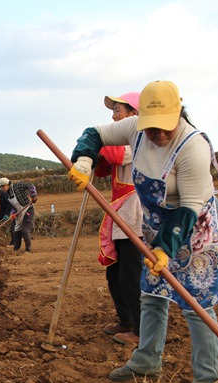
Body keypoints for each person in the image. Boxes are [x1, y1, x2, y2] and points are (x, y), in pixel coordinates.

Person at [70, 80, 218, 383]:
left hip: (193, 227)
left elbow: (189, 206)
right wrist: (84, 160)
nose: (157, 133)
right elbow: (95, 133)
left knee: (195, 299)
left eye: (164, 126)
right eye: (151, 126)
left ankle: (209, 378)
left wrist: (165, 249)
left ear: (178, 113)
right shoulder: (135, 129)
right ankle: (147, 361)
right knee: (152, 292)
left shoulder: (193, 146)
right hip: (155, 224)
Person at [94, 91, 143, 347]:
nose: (113, 117)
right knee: (115, 274)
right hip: (120, 214)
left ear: (134, 115)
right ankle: (126, 320)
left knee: (131, 274)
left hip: (136, 215)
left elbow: (114, 154)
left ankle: (141, 328)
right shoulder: (121, 141)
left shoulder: (139, 140)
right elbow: (103, 167)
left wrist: (97, 139)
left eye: (117, 111)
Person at [0, 177, 38, 253]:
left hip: (27, 209)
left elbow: (30, 185)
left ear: (6, 185)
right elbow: (13, 206)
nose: (1, 189)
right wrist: (13, 213)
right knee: (17, 230)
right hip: (19, 212)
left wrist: (33, 195)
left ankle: (28, 249)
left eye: (1, 187)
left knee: (25, 231)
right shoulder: (8, 195)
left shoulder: (17, 186)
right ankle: (16, 249)